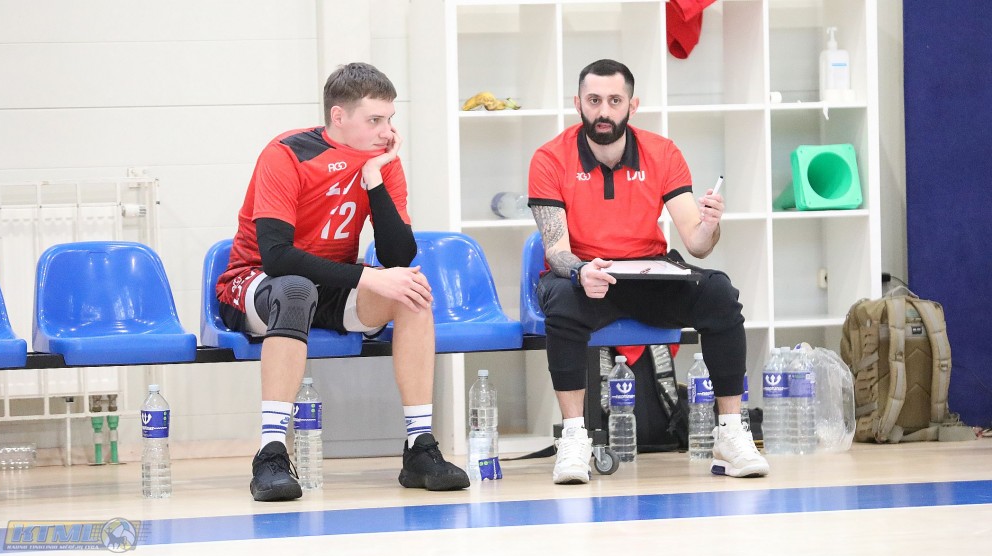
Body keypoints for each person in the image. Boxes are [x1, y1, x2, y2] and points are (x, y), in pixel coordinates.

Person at [216, 62, 469, 501]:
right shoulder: (287, 153)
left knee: (411, 291)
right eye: (375, 120)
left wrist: (375, 179)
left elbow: (398, 256)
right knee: (295, 288)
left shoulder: (381, 161)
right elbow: (277, 258)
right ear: (339, 116)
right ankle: (271, 453)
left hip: (328, 286)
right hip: (256, 283)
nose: (387, 132)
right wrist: (368, 276)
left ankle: (419, 447)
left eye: (390, 119)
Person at [527, 59, 769, 484]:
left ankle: (731, 433)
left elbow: (697, 243)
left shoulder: (662, 152)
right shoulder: (549, 158)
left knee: (718, 293)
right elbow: (556, 250)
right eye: (594, 100)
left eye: (614, 100)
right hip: (587, 275)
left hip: (648, 275)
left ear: (632, 105)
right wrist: (581, 271)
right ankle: (574, 437)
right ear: (578, 104)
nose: (604, 111)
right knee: (562, 302)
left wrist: (710, 225)